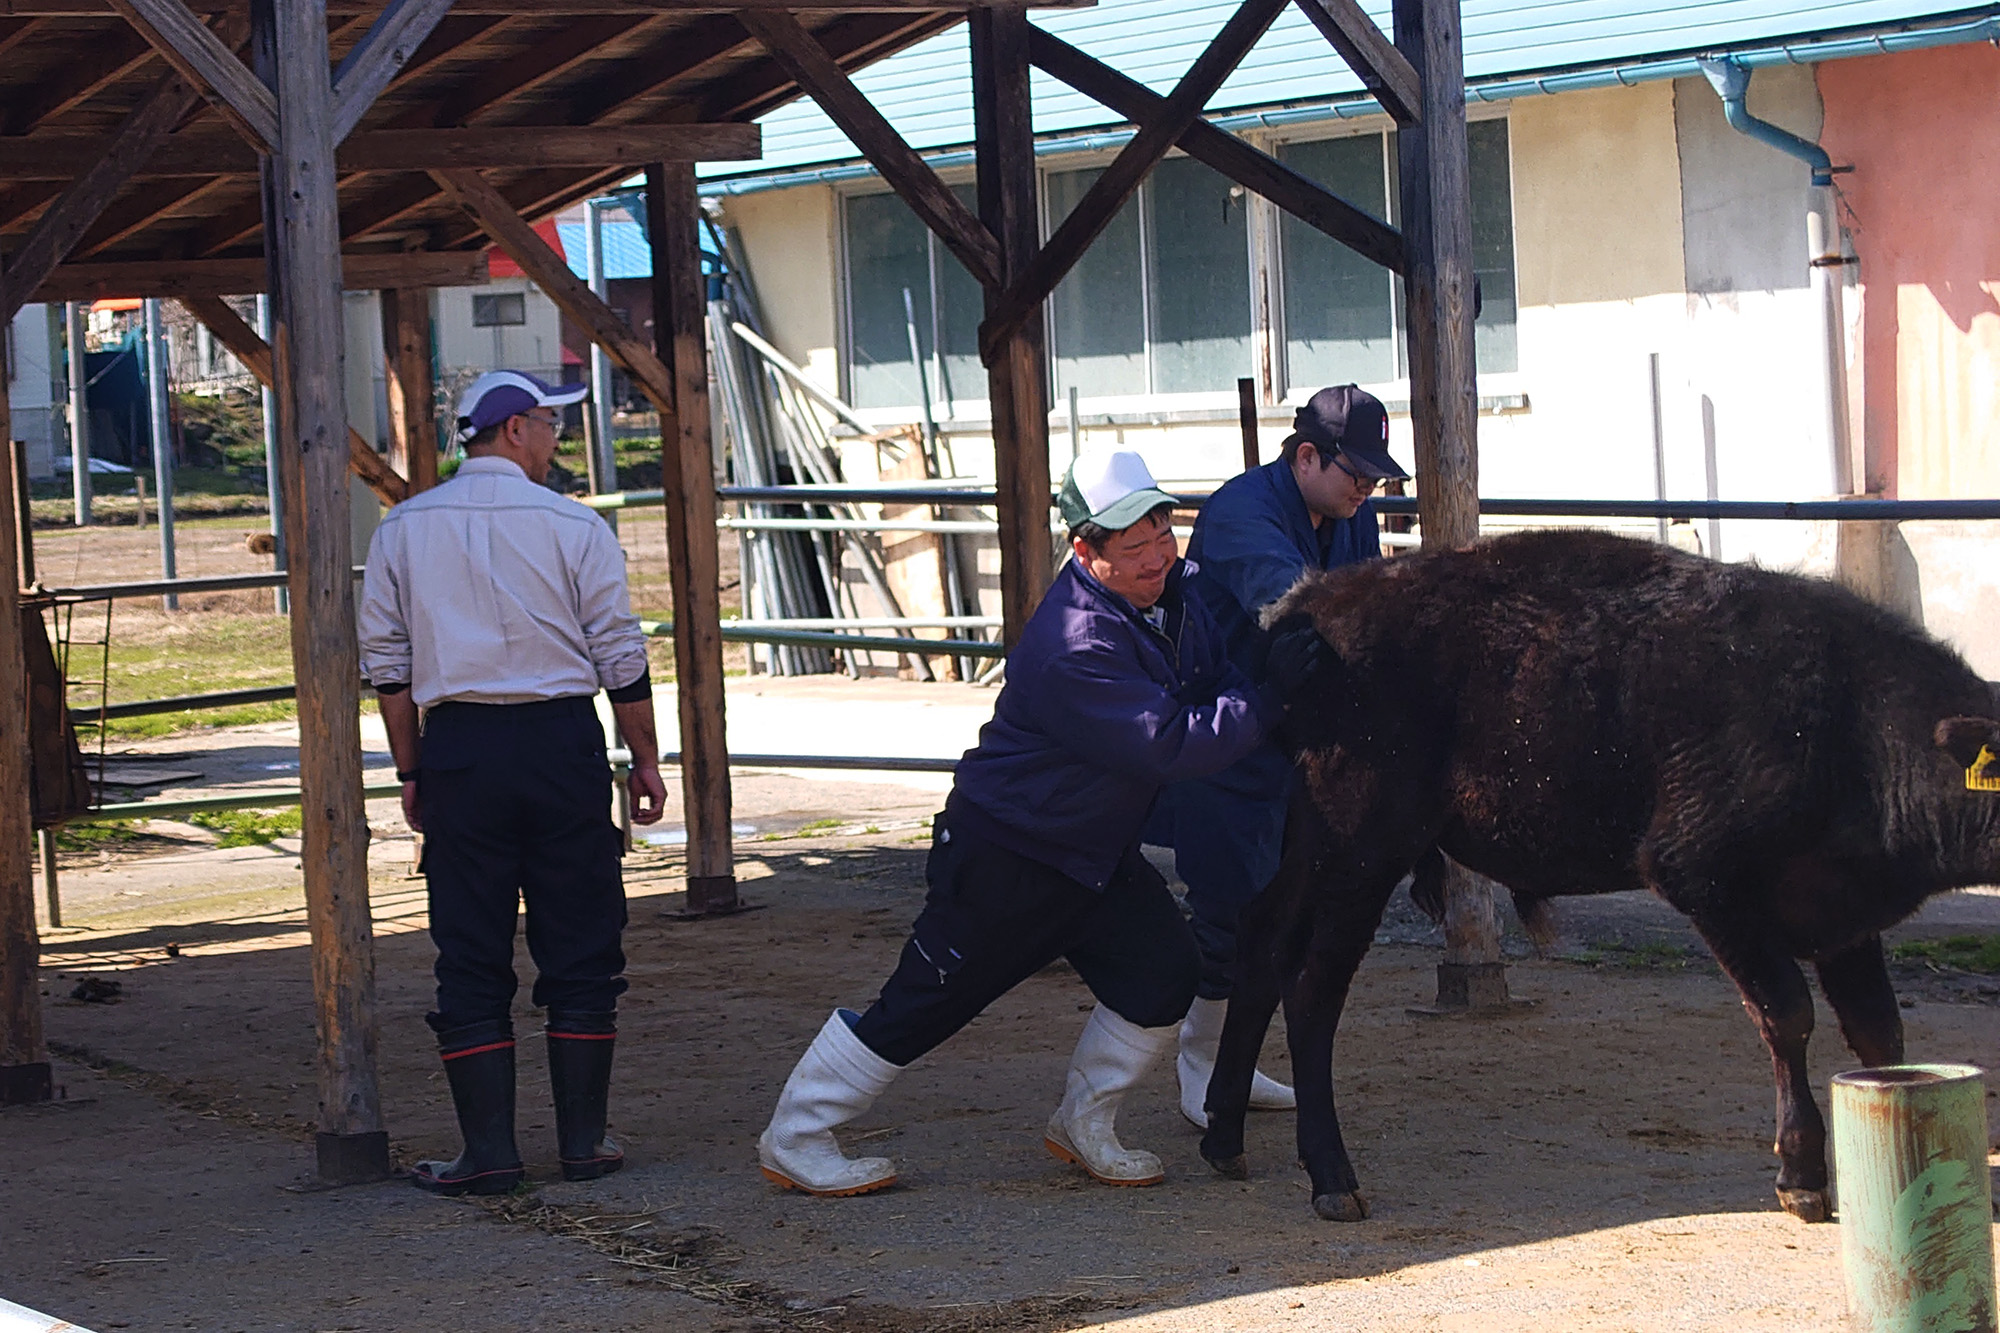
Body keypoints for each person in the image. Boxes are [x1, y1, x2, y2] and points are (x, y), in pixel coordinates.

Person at [756, 449, 1333, 1197]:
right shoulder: (1075, 641)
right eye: (1135, 547)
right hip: (1009, 853)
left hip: (1093, 851)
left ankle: (1084, 1121)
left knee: (1164, 971)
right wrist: (1270, 701)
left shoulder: (1177, 591)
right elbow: (1169, 741)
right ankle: (796, 1133)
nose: (1158, 555)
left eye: (1163, 533)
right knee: (926, 1001)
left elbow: (1213, 675)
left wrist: (1257, 677)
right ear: (1085, 551)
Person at [358, 369, 669, 1196]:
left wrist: (412, 770)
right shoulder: (574, 525)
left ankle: (489, 1150)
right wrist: (644, 757)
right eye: (551, 425)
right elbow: (620, 655)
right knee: (581, 939)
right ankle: (581, 1142)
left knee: (470, 945)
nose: (558, 440)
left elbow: (388, 667)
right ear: (516, 429)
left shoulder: (404, 527)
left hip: (458, 745)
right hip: (561, 741)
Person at [1149, 384, 1408, 1127]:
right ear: (1305, 456)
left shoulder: (1346, 514)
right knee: (1227, 910)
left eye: (1374, 477)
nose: (1366, 489)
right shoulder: (1241, 514)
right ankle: (1199, 1063)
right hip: (1222, 733)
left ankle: (1229, 1057)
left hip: (1292, 735)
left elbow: (1372, 599)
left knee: (1283, 908)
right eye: (1355, 473)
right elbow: (1315, 610)